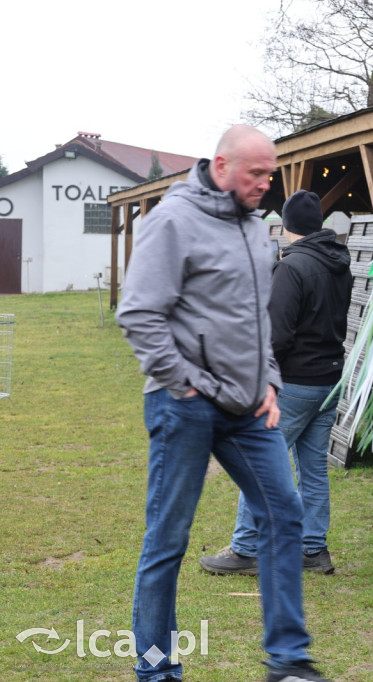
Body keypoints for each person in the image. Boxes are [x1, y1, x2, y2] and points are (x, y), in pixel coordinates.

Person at [116, 125, 330, 682]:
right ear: (220, 165)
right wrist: (181, 382)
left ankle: (288, 660)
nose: (266, 184)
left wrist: (271, 382)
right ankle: (157, 670)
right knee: (168, 540)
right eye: (256, 174)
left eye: (270, 174)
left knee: (283, 514)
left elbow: (258, 322)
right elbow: (138, 313)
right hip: (182, 404)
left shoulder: (260, 232)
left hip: (248, 409)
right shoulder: (171, 220)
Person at [199, 189, 353, 577]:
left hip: (294, 383)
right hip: (328, 380)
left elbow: (277, 334)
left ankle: (247, 548)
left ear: (286, 226)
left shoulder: (292, 267)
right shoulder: (341, 264)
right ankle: (312, 549)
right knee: (313, 468)